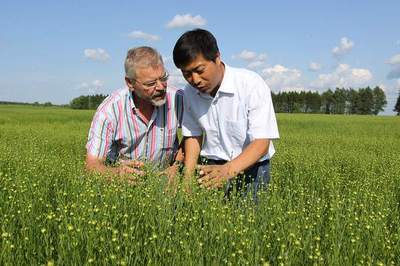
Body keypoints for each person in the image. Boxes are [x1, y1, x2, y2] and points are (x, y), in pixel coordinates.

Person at [173, 29, 279, 199]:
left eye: (200, 70)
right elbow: (193, 135)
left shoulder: (251, 84)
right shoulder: (189, 92)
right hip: (210, 166)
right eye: (187, 74)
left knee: (249, 221)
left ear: (217, 58)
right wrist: (187, 180)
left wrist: (228, 170)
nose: (195, 80)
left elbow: (261, 142)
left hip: (253, 168)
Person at [86, 46, 184, 183]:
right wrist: (118, 175)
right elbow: (92, 166)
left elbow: (196, 135)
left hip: (165, 186)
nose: (161, 87)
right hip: (124, 189)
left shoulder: (177, 100)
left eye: (163, 78)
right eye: (151, 83)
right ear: (130, 83)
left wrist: (177, 165)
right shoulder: (109, 111)